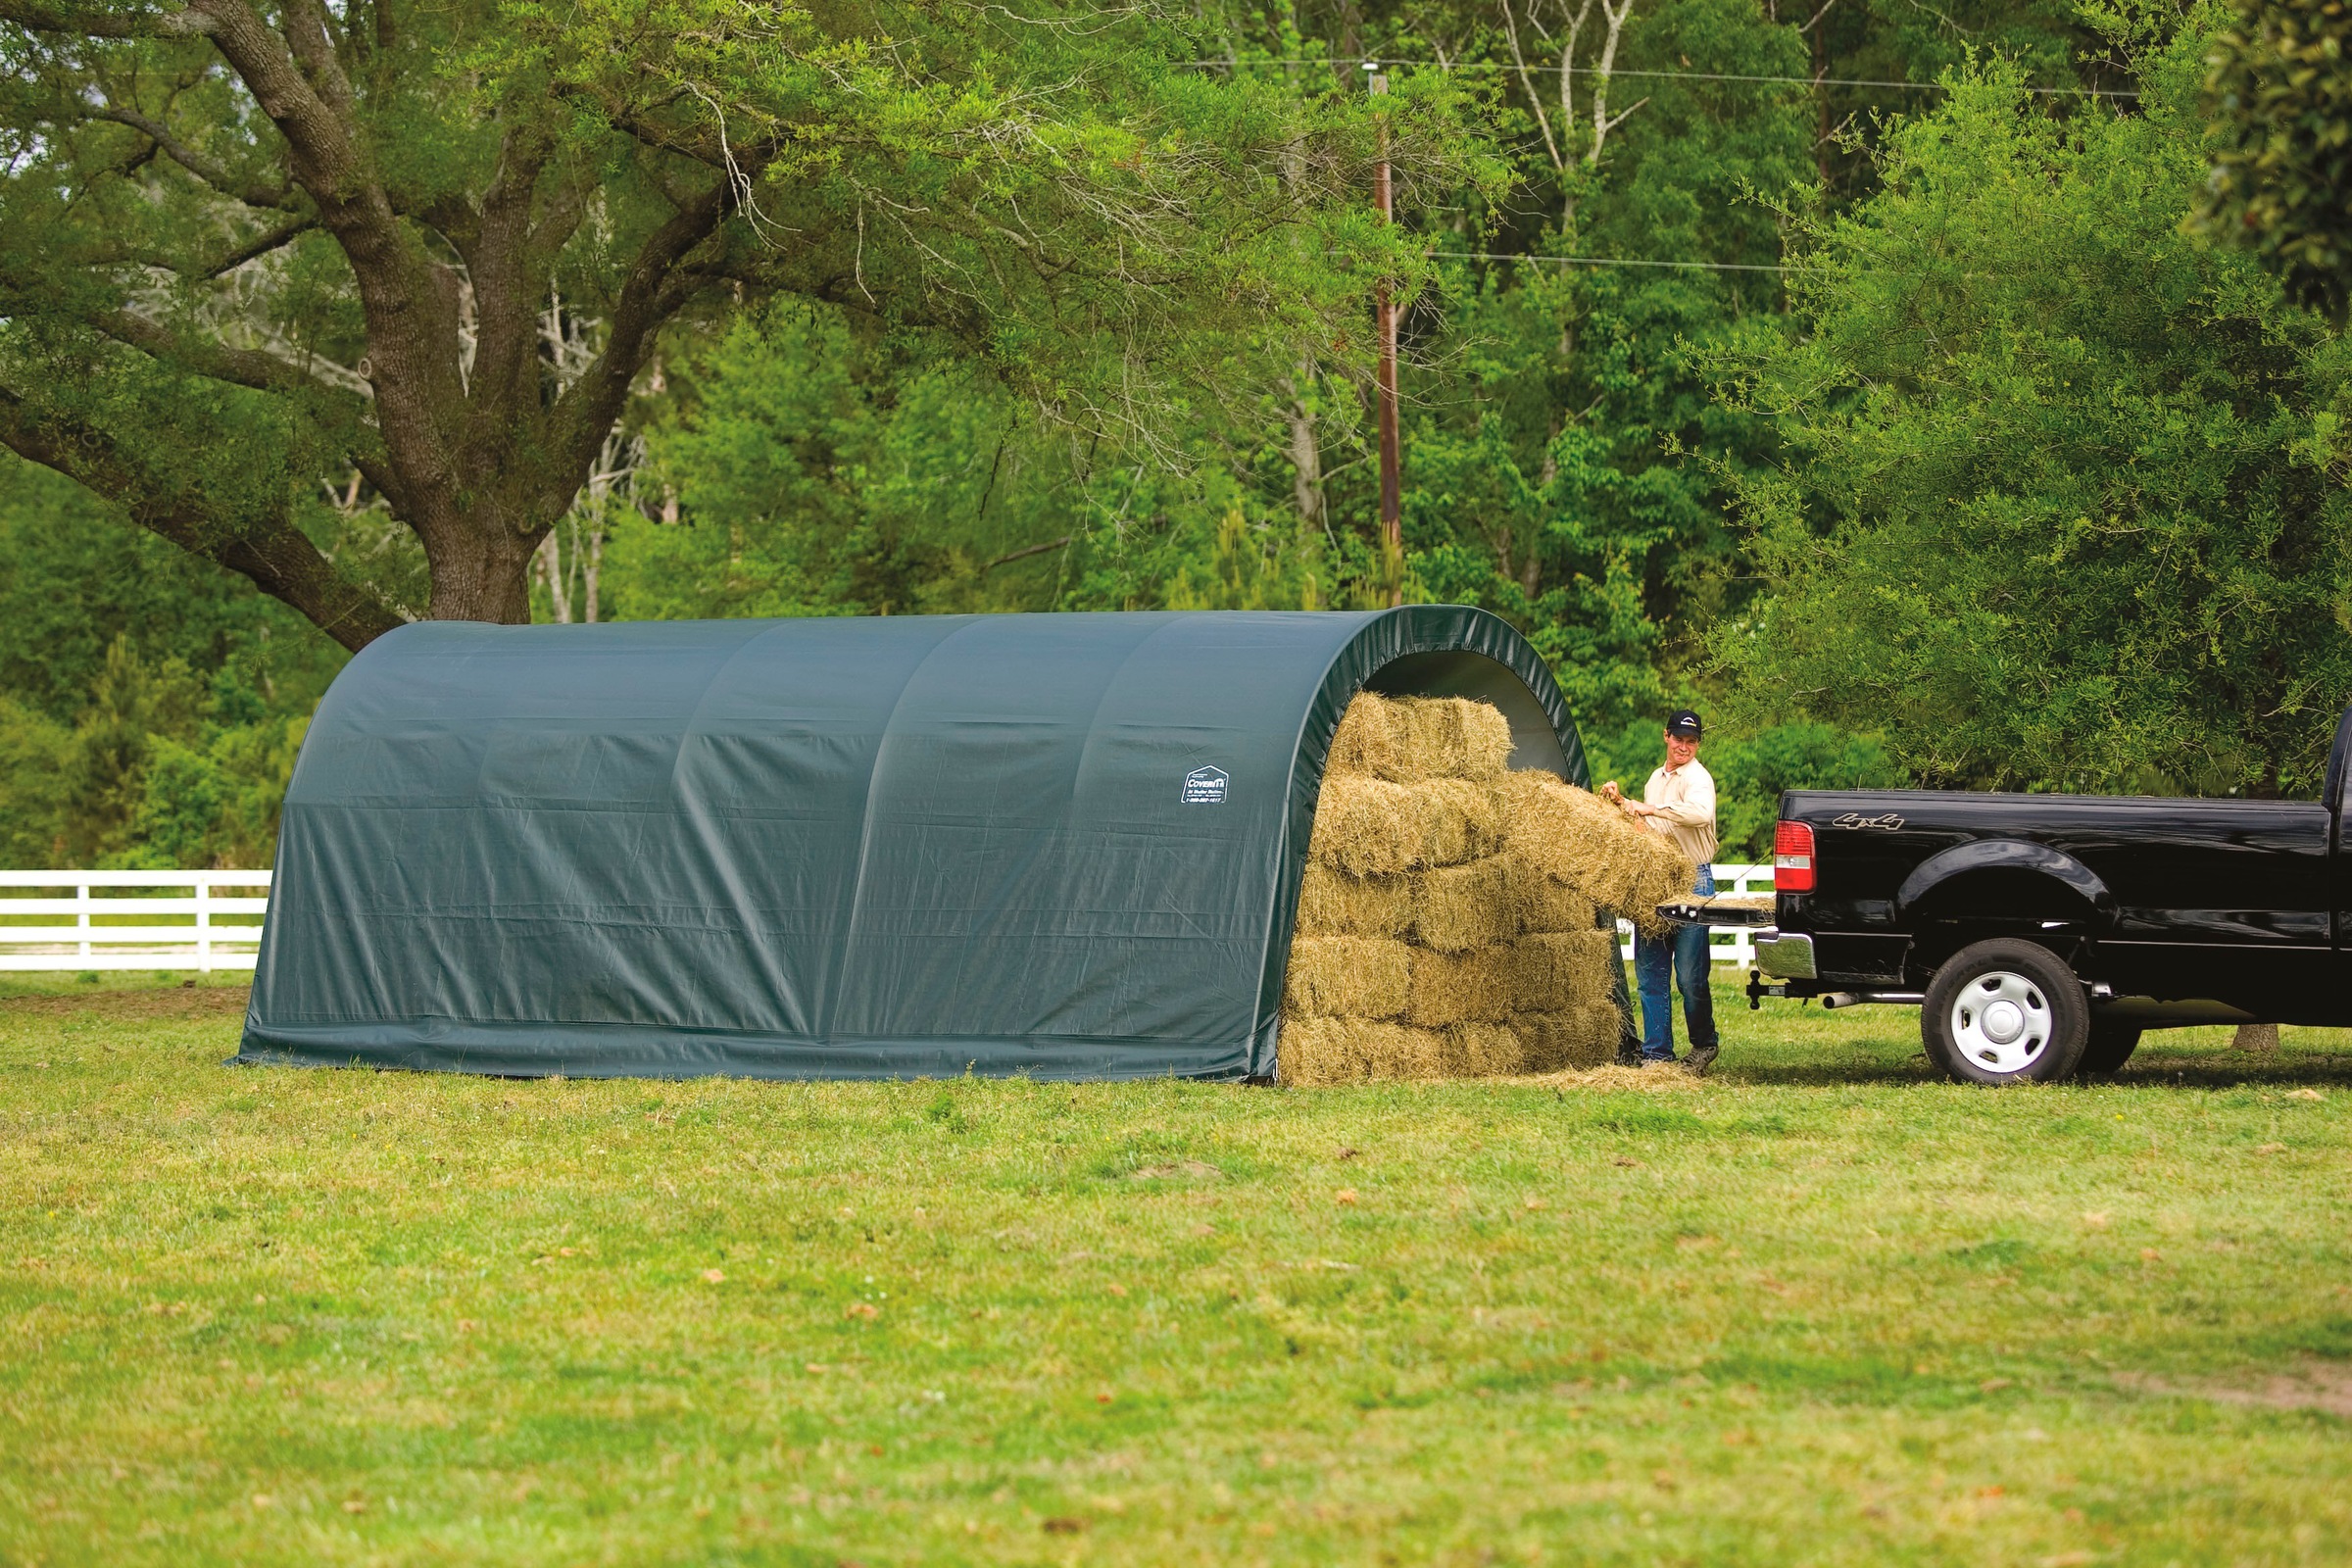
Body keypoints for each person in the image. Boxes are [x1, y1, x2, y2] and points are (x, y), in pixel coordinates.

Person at [1600, 709, 1721, 1075]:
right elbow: (1648, 830)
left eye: (1691, 741)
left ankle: (1704, 1044)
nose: (1684, 746)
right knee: (1651, 971)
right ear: (1666, 736)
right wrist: (1623, 805)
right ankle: (1657, 1056)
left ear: (1697, 744)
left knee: (1688, 975)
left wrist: (1649, 807)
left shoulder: (1698, 778)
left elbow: (1699, 814)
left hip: (1693, 880)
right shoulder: (1656, 778)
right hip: (1657, 880)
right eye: (1678, 738)